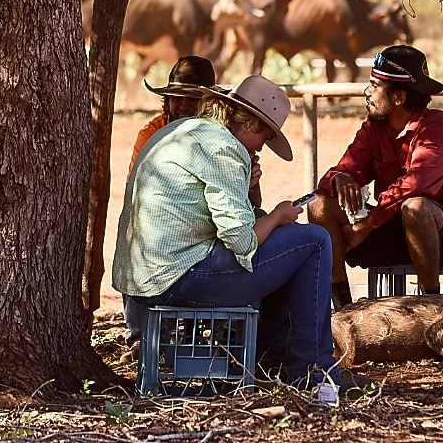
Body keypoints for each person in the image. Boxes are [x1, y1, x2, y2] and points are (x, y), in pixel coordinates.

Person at [113, 75, 347, 389]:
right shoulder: (226, 148)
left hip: (143, 276)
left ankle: (265, 362)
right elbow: (242, 241)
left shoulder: (184, 130)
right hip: (177, 275)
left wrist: (243, 188)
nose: (261, 147)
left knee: (288, 250)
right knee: (315, 241)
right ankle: (314, 371)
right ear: (251, 125)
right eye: (264, 138)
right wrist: (278, 216)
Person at [308, 44, 443, 309]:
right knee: (319, 204)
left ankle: (431, 307)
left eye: (374, 85)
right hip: (392, 231)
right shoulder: (374, 128)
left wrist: (367, 224)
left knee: (415, 208)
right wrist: (339, 178)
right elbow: (342, 170)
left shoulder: (438, 128)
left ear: (399, 98)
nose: (366, 92)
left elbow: (417, 185)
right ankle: (341, 308)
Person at [129, 55, 218, 172]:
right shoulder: (151, 134)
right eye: (177, 98)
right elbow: (134, 183)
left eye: (193, 99)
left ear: (209, 103)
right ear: (168, 99)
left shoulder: (223, 132)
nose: (184, 106)